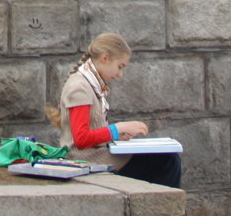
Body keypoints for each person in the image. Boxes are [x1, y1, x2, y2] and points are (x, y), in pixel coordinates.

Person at [47, 32, 183, 188]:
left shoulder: (90, 84)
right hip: (88, 161)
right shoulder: (80, 87)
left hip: (97, 156)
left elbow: (91, 133)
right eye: (120, 66)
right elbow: (81, 139)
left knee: (167, 158)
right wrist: (117, 129)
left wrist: (117, 136)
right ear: (105, 58)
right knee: (167, 161)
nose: (120, 74)